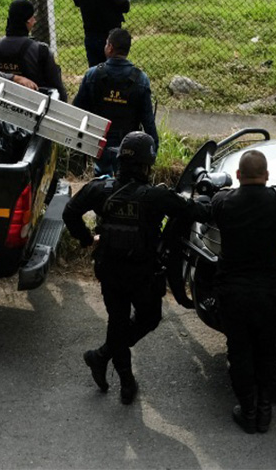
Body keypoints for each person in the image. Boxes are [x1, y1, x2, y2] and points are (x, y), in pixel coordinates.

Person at [62, 131, 194, 407]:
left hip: (110, 271)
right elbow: (193, 211)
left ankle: (106, 359)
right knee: (147, 319)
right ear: (148, 164)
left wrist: (88, 240)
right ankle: (123, 381)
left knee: (118, 322)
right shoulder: (155, 196)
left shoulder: (101, 188)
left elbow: (70, 212)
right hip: (143, 276)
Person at [202, 149, 276, 434]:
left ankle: (248, 411)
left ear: (238, 176)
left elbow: (210, 207)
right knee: (265, 352)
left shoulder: (225, 203)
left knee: (240, 352)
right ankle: (265, 412)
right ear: (267, 176)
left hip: (233, 294)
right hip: (268, 294)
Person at [72, 28, 157, 175]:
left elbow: (77, 110)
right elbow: (148, 121)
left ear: (110, 47)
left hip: (97, 144)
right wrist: (153, 149)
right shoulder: (140, 79)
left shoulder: (92, 74)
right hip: (129, 149)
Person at [0, 0, 67, 97]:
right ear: (28, 20)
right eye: (33, 17)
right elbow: (58, 88)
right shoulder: (41, 51)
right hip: (35, 105)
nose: (34, 21)